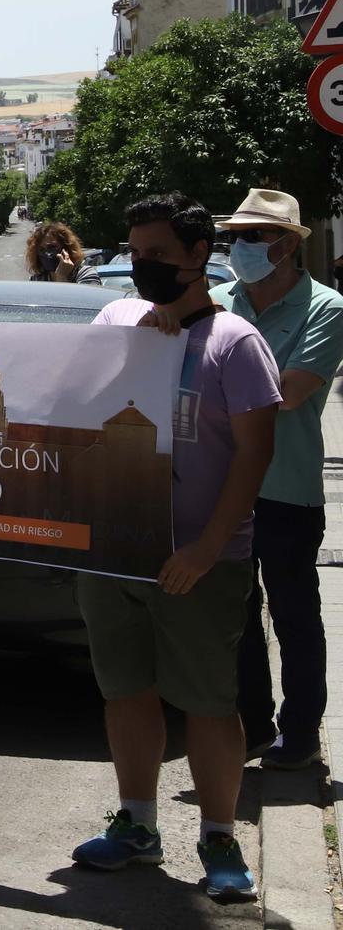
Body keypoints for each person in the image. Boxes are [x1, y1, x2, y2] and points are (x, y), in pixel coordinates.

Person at [72, 193, 280, 902]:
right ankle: (136, 824)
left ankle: (219, 835)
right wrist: (137, 344)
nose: (143, 267)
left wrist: (207, 547)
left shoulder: (235, 342)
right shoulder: (115, 320)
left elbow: (254, 454)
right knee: (127, 691)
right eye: (135, 253)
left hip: (201, 562)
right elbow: (75, 401)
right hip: (117, 551)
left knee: (208, 703)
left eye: (158, 254)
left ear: (198, 256)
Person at [208, 190, 341, 772]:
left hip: (286, 486)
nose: (241, 247)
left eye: (254, 237)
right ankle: (254, 728)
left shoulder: (326, 308)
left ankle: (302, 731)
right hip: (219, 485)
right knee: (233, 615)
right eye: (236, 236)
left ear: (287, 244)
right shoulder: (215, 301)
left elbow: (291, 392)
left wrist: (223, 386)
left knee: (293, 614)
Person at [26, 221, 99, 284]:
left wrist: (62, 277)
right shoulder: (37, 280)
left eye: (52, 247)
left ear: (66, 247)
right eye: (41, 249)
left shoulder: (85, 274)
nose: (47, 253)